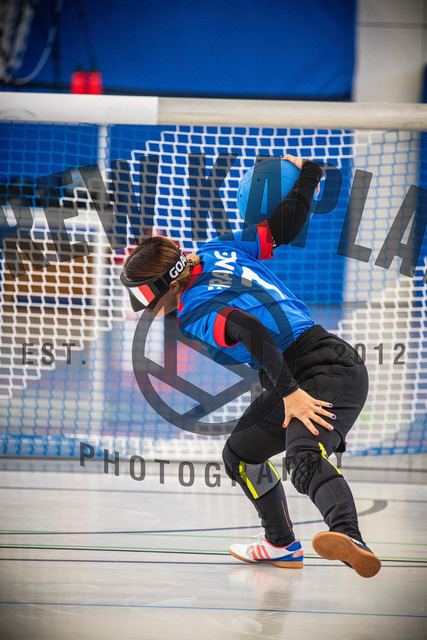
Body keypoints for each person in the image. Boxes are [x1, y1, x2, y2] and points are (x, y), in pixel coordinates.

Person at [120, 154, 381, 579]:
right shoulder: (216, 249)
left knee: (303, 458)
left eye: (142, 296)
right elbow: (283, 227)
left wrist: (292, 394)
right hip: (303, 366)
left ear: (162, 286)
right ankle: (280, 543)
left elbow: (252, 330)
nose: (141, 307)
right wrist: (310, 174)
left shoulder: (193, 309)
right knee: (240, 455)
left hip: (324, 368)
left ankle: (350, 536)